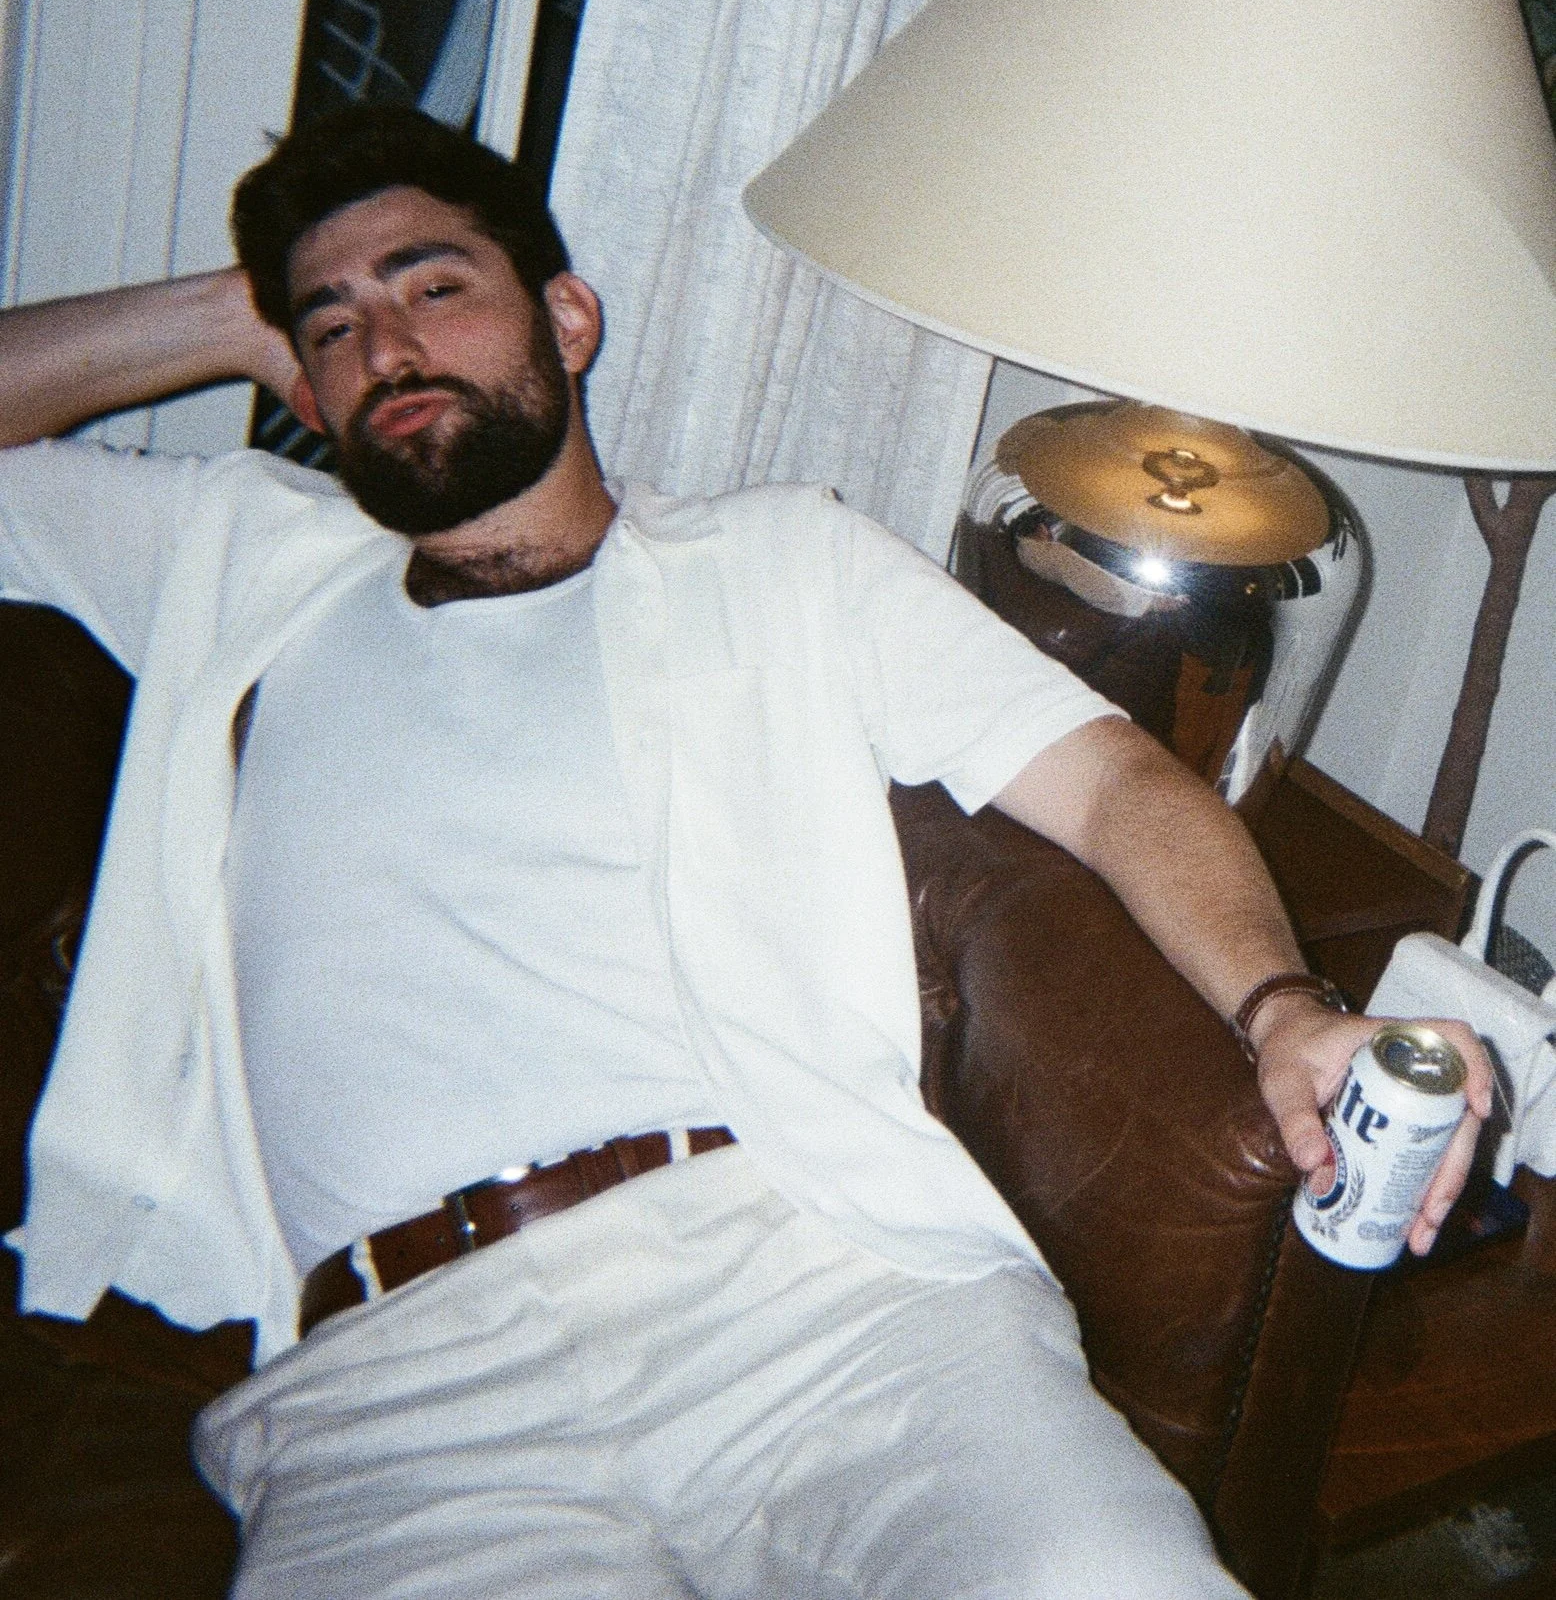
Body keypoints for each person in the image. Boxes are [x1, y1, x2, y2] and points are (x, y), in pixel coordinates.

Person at [0, 106, 1490, 1599]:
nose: (387, 345)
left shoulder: (784, 561)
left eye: (434, 286)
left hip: (820, 1297)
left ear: (568, 320)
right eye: (333, 326)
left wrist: (1282, 1010)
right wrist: (229, 314)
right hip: (399, 1397)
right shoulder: (239, 554)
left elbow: (1112, 782)